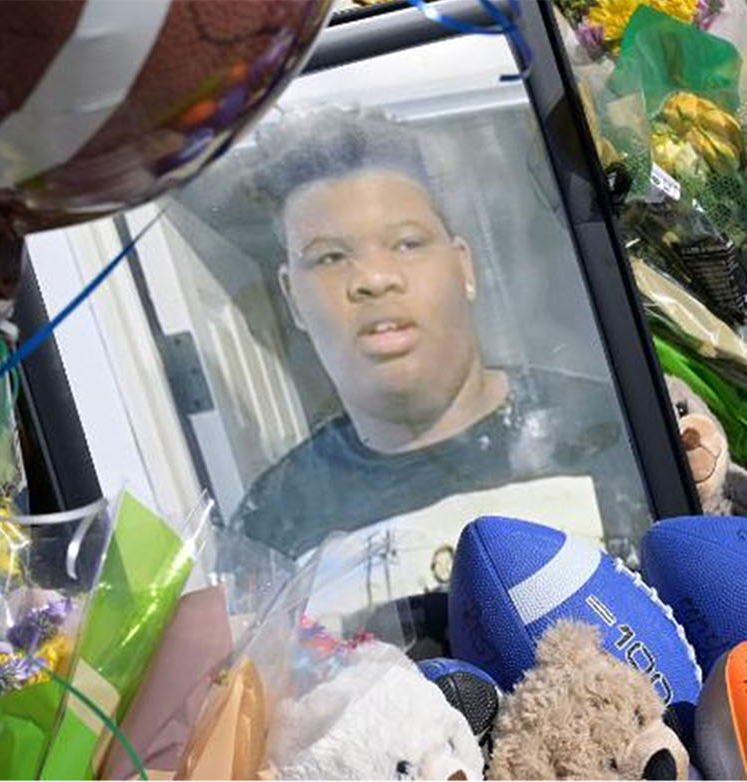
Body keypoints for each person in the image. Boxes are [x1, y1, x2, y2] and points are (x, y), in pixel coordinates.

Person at [229, 108, 645, 602]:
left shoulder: (610, 431)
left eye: (406, 243)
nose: (374, 279)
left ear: (463, 266)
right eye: (330, 257)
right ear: (292, 297)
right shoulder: (271, 525)